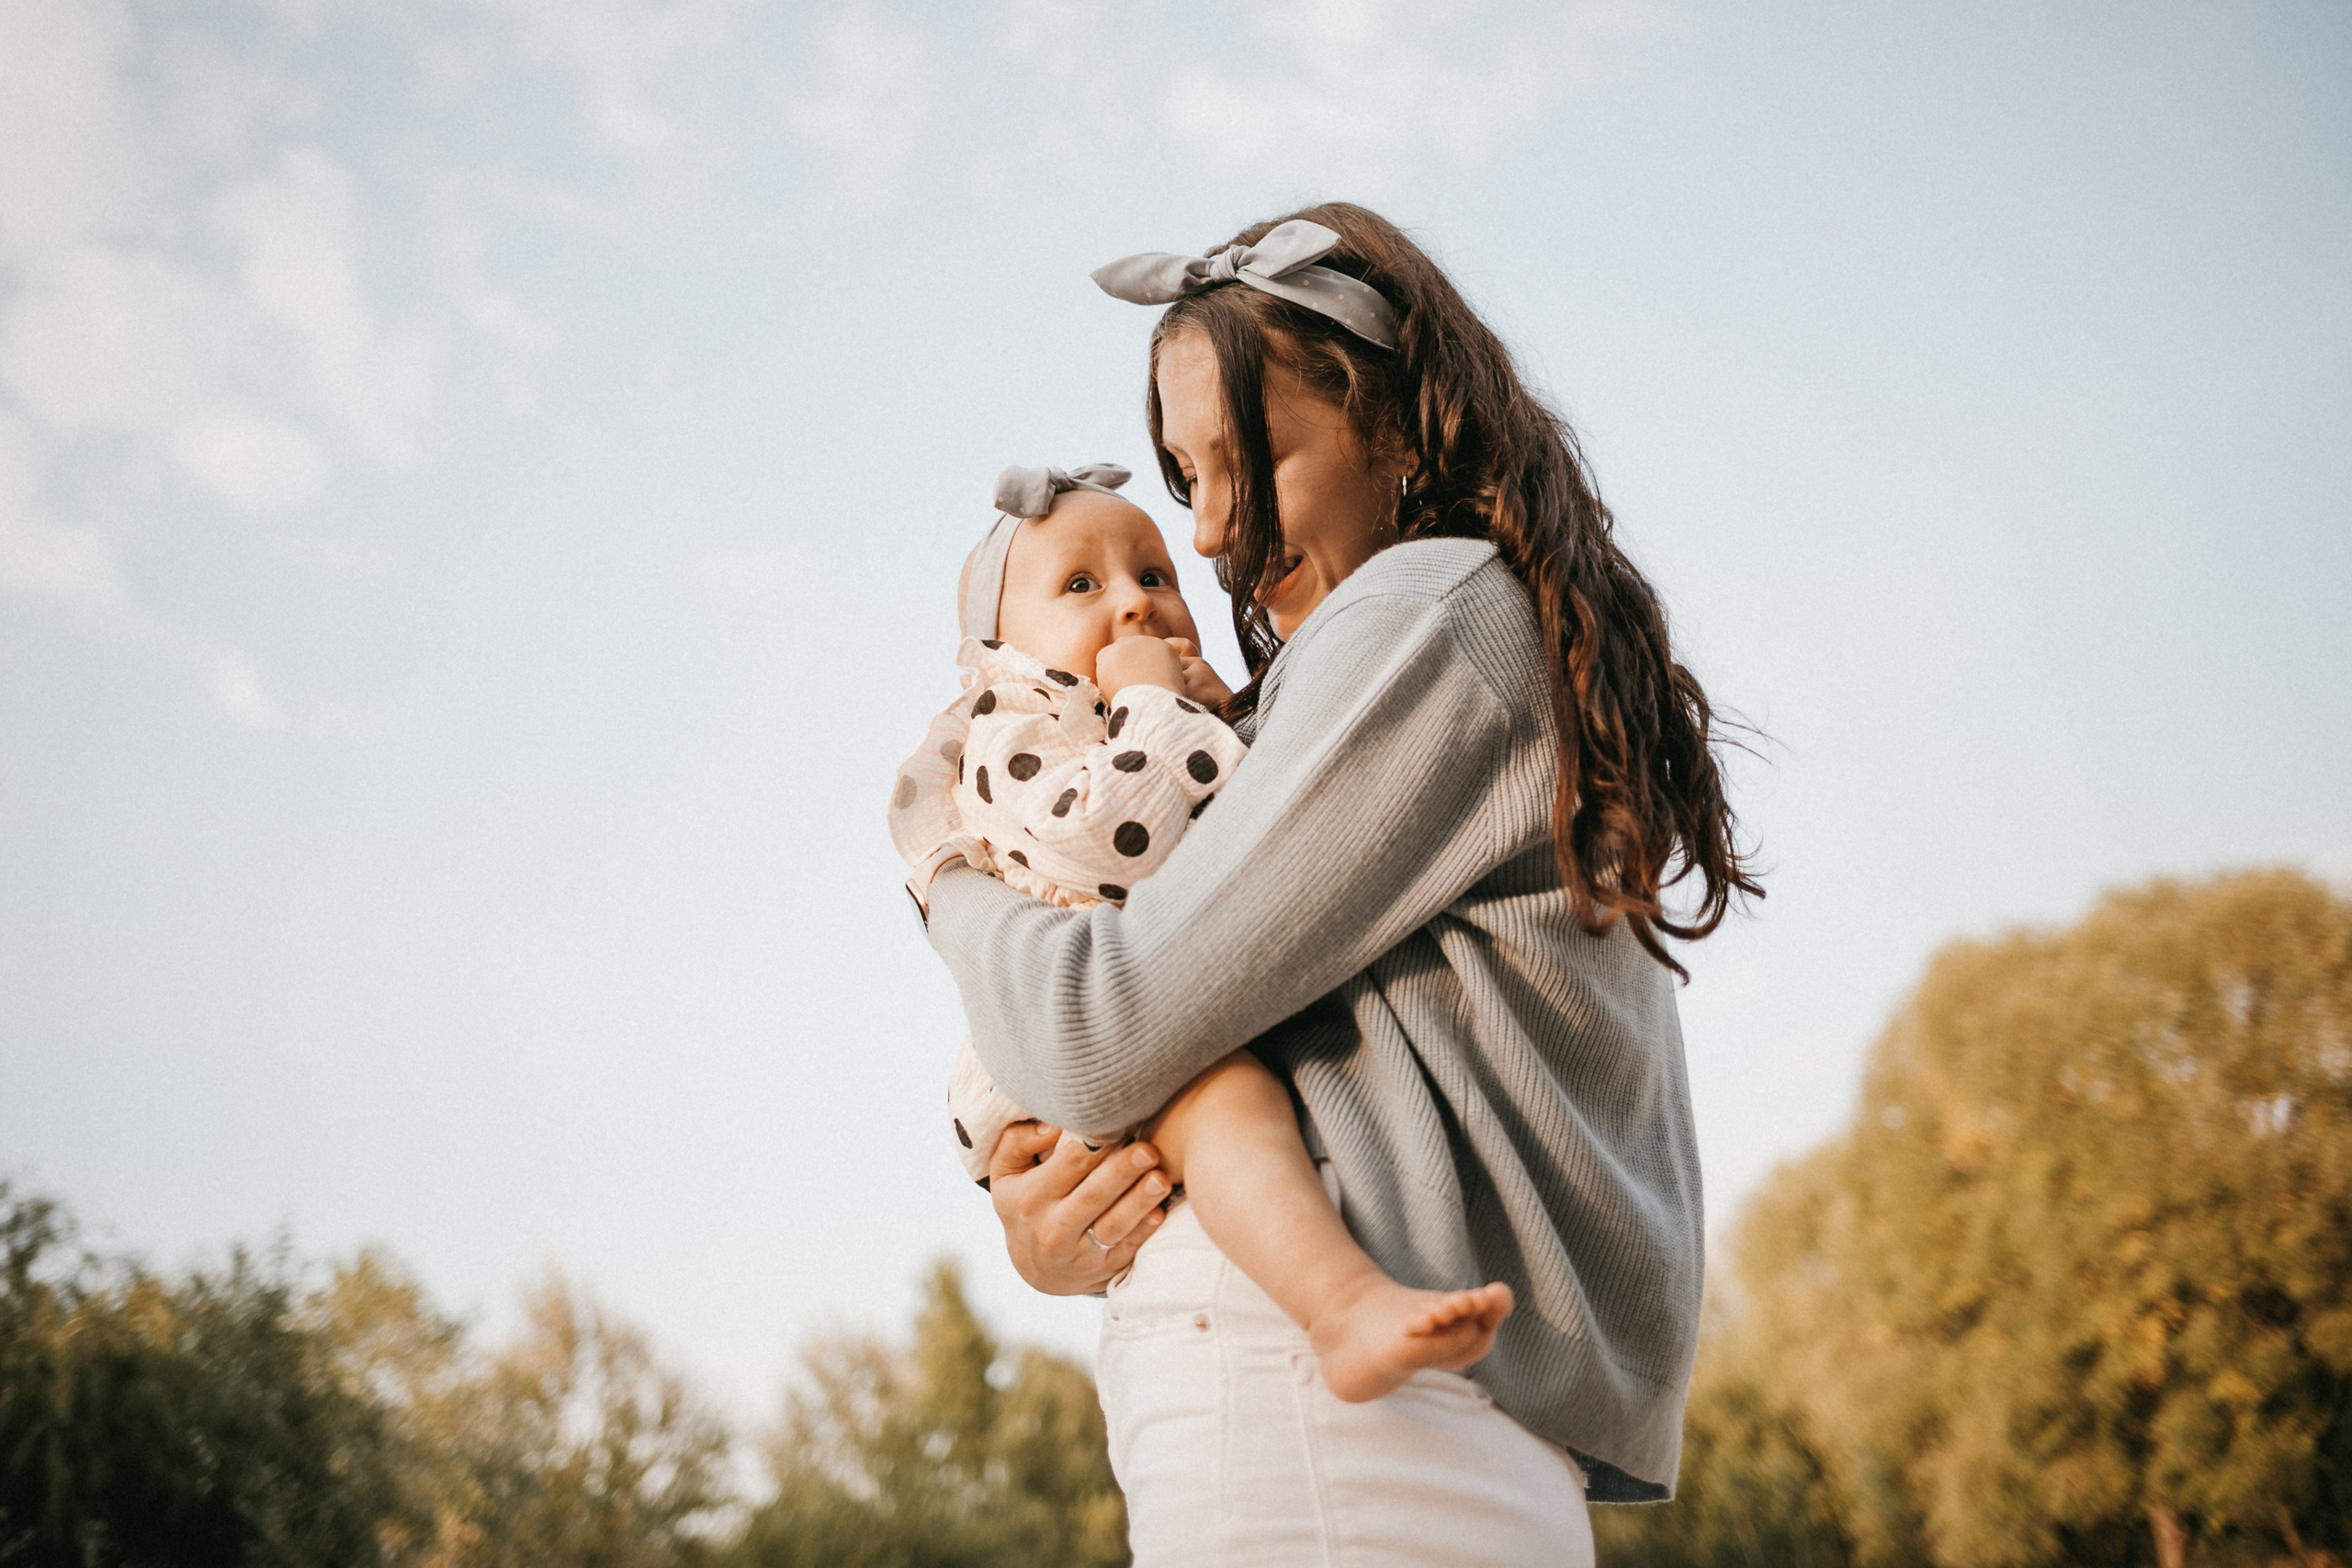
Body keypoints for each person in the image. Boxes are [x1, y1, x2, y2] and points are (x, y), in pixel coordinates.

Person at [910, 204, 1758, 1565]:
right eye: (1190, 478)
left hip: (1328, 1404)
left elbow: (1097, 1025)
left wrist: (942, 867)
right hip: (1391, 1403)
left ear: (1401, 426)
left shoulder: (1419, 617)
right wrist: (1059, 1236)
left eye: (1251, 460)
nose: (1217, 530)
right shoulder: (1405, 652)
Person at [893, 460, 1519, 1404]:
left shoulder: (1170, 708)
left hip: (1120, 1008)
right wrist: (1166, 708)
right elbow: (1113, 841)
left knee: (1221, 1098)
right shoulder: (1010, 724)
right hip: (1057, 1040)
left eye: (1153, 577)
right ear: (996, 650)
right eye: (1079, 586)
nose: (1137, 605)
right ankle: (1341, 1305)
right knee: (1221, 1096)